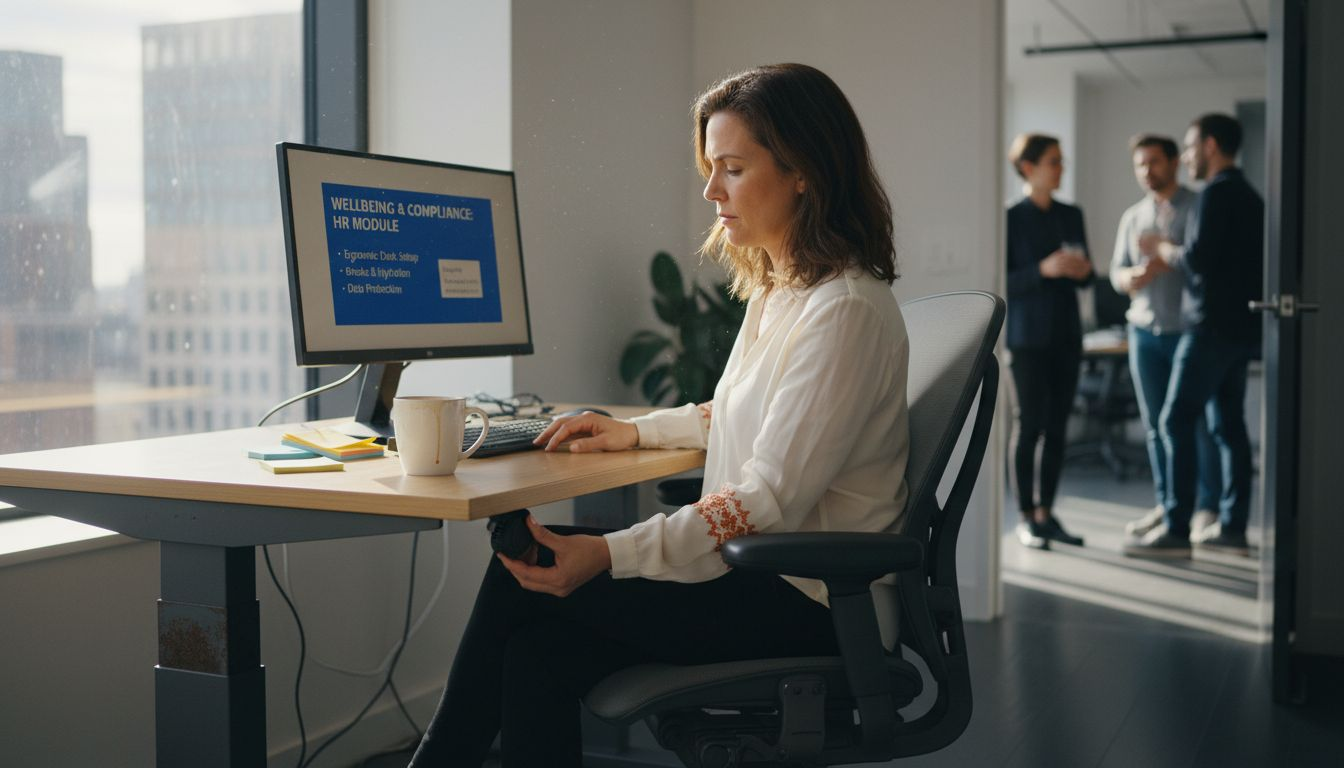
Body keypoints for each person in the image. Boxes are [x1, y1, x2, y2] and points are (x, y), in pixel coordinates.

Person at [409, 63, 911, 767]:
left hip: (818, 601)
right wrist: (634, 431)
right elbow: (743, 411)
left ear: (804, 172)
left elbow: (766, 497)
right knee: (536, 648)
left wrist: (609, 554)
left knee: (523, 571)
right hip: (770, 576)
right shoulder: (788, 291)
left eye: (732, 169)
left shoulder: (844, 310)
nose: (711, 190)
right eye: (711, 168)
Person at [1123, 113, 1263, 559]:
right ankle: (1233, 527)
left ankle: (1177, 528)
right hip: (1241, 329)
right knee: (1227, 425)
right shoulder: (1252, 196)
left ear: (1212, 146)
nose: (1186, 157)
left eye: (1189, 147)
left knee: (1173, 421)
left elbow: (1198, 260)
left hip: (1208, 328)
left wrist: (1164, 249)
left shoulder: (1214, 196)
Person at [1110, 134, 1223, 543]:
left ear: (1174, 162)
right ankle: (1168, 503)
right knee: (1156, 426)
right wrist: (1133, 278)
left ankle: (1204, 509)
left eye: (1154, 162)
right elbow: (1115, 274)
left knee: (1196, 426)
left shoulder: (1198, 206)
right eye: (1140, 164)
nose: (1146, 171)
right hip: (1143, 333)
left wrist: (1167, 255)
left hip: (1188, 334)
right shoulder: (1132, 217)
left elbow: (1207, 264)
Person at [1005, 133, 1093, 550]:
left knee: (1058, 428)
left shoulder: (1071, 215)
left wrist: (1080, 270)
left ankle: (1046, 513)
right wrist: (1044, 269)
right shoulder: (1008, 219)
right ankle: (1025, 516)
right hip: (1026, 339)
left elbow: (1091, 274)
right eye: (1053, 161)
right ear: (1028, 168)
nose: (1060, 168)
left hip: (1067, 336)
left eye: (1061, 161)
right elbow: (1002, 282)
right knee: (1029, 426)